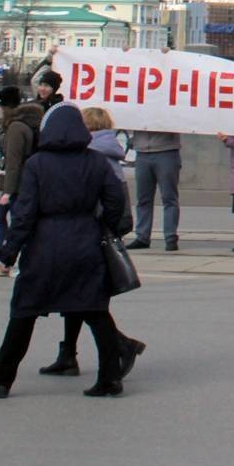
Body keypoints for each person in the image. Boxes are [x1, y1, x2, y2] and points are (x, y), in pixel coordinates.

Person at [0, 106, 137, 399]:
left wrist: (9, 251)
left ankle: (1, 378)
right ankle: (110, 378)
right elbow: (116, 201)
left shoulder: (37, 164)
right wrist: (102, 226)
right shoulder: (96, 162)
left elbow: (24, 215)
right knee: (96, 312)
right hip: (85, 241)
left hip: (45, 245)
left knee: (23, 313)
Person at [34, 107, 146, 380]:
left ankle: (120, 347)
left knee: (85, 300)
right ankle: (68, 354)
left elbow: (108, 201)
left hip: (89, 235)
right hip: (92, 233)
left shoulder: (92, 156)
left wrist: (93, 225)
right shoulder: (107, 152)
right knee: (77, 298)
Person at [0, 87, 42, 276]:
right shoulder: (21, 123)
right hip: (19, 182)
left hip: (18, 184)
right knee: (1, 217)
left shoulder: (16, 127)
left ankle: (7, 261)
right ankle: (4, 258)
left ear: (6, 106)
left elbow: (14, 162)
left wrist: (7, 192)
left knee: (15, 222)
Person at [123, 123, 183, 252]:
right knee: (143, 199)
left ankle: (170, 237)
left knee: (169, 197)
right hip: (143, 152)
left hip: (167, 151)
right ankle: (142, 237)